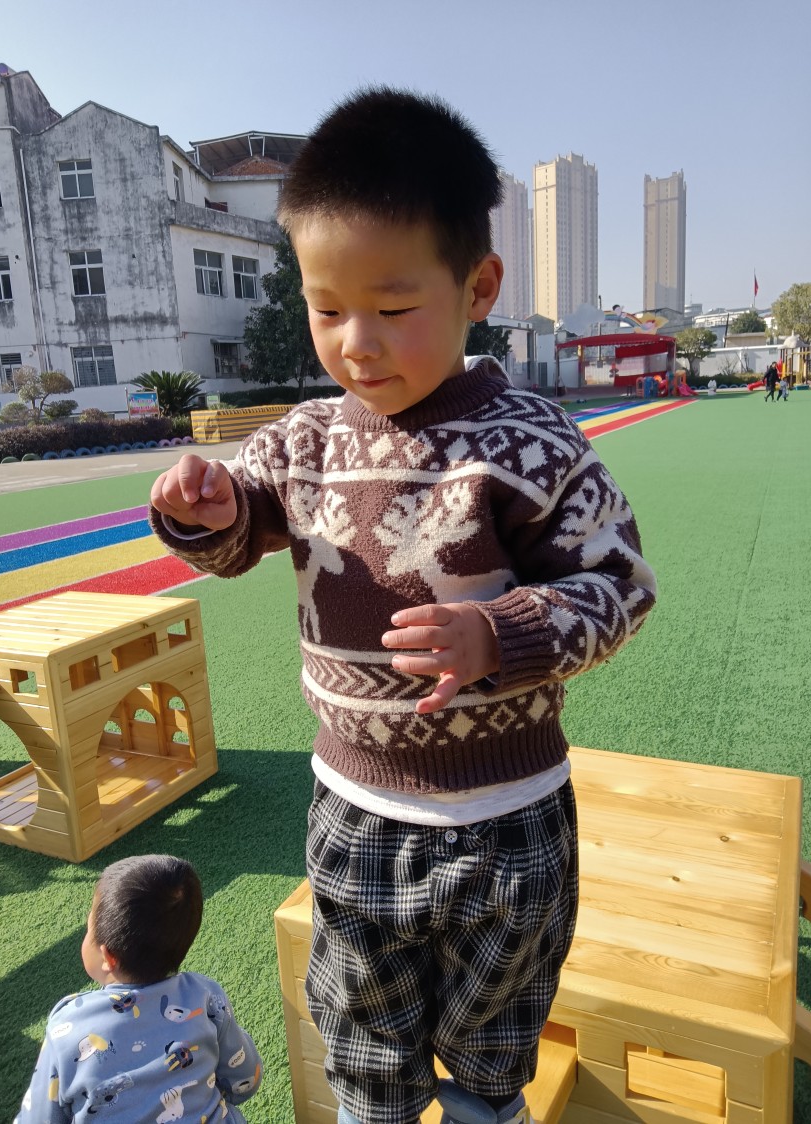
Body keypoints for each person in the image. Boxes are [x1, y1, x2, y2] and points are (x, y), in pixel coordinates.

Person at [149, 88, 657, 1124]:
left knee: (495, 1033)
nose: (356, 343)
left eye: (390, 309)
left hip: (509, 815)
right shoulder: (304, 439)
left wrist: (502, 632)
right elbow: (241, 527)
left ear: (479, 286)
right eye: (326, 309)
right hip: (357, 807)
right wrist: (207, 509)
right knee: (362, 1036)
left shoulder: (533, 440)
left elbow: (620, 584)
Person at [14, 855, 262, 1124]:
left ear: (108, 957)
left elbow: (38, 1118)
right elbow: (245, 1081)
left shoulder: (68, 1026)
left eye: (88, 929)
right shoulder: (205, 996)